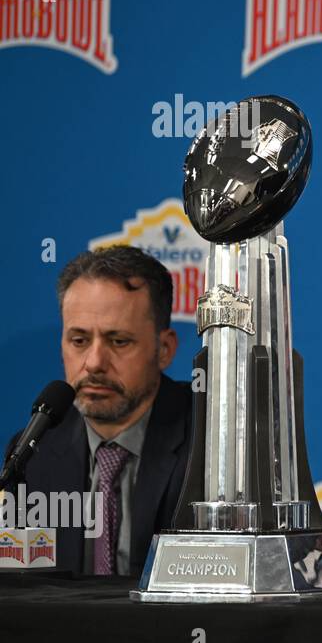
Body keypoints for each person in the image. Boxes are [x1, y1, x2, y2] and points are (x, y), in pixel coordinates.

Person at [5, 246, 192, 576]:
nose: (93, 363)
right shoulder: (34, 452)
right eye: (78, 341)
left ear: (164, 350)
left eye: (118, 341)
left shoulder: (210, 442)